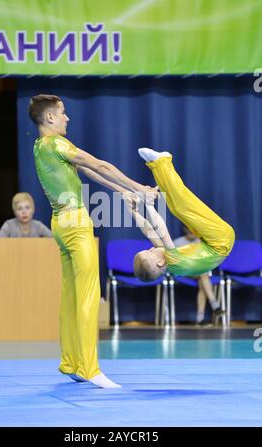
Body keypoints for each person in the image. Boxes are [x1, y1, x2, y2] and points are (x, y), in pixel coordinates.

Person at [28, 94, 157, 389]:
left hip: (60, 222)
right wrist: (139, 187)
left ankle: (72, 363)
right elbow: (99, 165)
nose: (67, 117)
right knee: (88, 293)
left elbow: (85, 170)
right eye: (62, 112)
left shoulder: (40, 146)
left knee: (71, 294)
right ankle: (91, 368)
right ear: (49, 118)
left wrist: (121, 192)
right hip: (75, 222)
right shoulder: (59, 144)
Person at [124, 148, 235, 286]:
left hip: (212, 242)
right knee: (183, 207)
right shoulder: (175, 263)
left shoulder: (166, 258)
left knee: (175, 208)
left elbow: (149, 231)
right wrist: (149, 205)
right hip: (221, 241)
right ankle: (162, 161)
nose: (151, 248)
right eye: (149, 252)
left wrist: (133, 211)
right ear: (160, 263)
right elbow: (162, 231)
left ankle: (157, 165)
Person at [174, 226, 225, 326]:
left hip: (199, 271)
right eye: (189, 231)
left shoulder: (201, 242)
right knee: (204, 274)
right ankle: (214, 303)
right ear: (185, 230)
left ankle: (200, 318)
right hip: (184, 271)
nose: (191, 233)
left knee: (203, 280)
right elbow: (175, 262)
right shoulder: (177, 242)